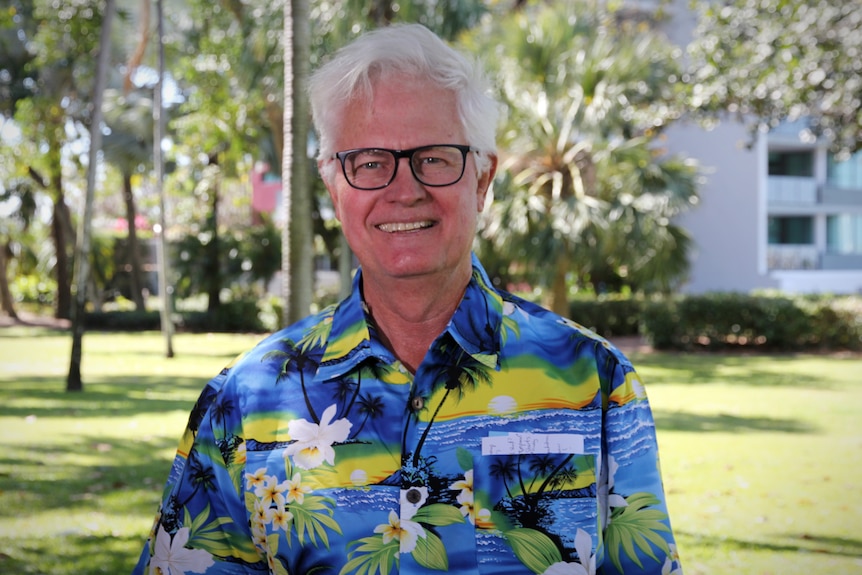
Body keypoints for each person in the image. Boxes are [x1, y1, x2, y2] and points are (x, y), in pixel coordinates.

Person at [133, 23, 681, 575]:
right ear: (332, 185)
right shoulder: (243, 403)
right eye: (370, 162)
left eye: (435, 157)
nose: (405, 189)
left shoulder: (594, 381)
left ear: (483, 178)